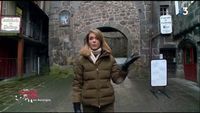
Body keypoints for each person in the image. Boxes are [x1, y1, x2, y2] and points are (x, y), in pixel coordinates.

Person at [72, 28, 139, 113]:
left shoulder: (110, 58)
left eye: (97, 38)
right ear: (87, 41)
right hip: (89, 105)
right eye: (91, 38)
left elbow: (117, 80)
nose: (94, 41)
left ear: (101, 41)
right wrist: (76, 106)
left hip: (107, 104)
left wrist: (124, 68)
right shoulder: (81, 60)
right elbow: (77, 84)